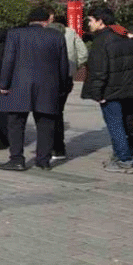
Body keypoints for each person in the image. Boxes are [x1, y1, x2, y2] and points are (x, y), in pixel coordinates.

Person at [0, 6, 72, 171]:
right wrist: (62, 86)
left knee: (16, 123)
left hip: (19, 85)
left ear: (30, 20)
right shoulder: (57, 36)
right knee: (46, 123)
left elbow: (8, 61)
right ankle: (43, 161)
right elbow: (63, 65)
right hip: (48, 86)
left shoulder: (15, 34)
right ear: (46, 20)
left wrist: (4, 84)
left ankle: (17, 159)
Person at [82, 6, 133, 173]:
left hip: (110, 91)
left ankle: (124, 160)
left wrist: (97, 93)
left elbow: (98, 70)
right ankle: (120, 155)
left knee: (115, 126)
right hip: (126, 89)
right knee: (121, 124)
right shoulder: (123, 36)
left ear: (100, 21)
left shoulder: (101, 40)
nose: (89, 23)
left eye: (91, 20)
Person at [45, 14, 88, 162]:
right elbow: (83, 53)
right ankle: (59, 148)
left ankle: (48, 147)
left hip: (47, 79)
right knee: (58, 112)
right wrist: (73, 67)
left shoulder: (45, 33)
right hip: (66, 78)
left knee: (46, 113)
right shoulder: (71, 33)